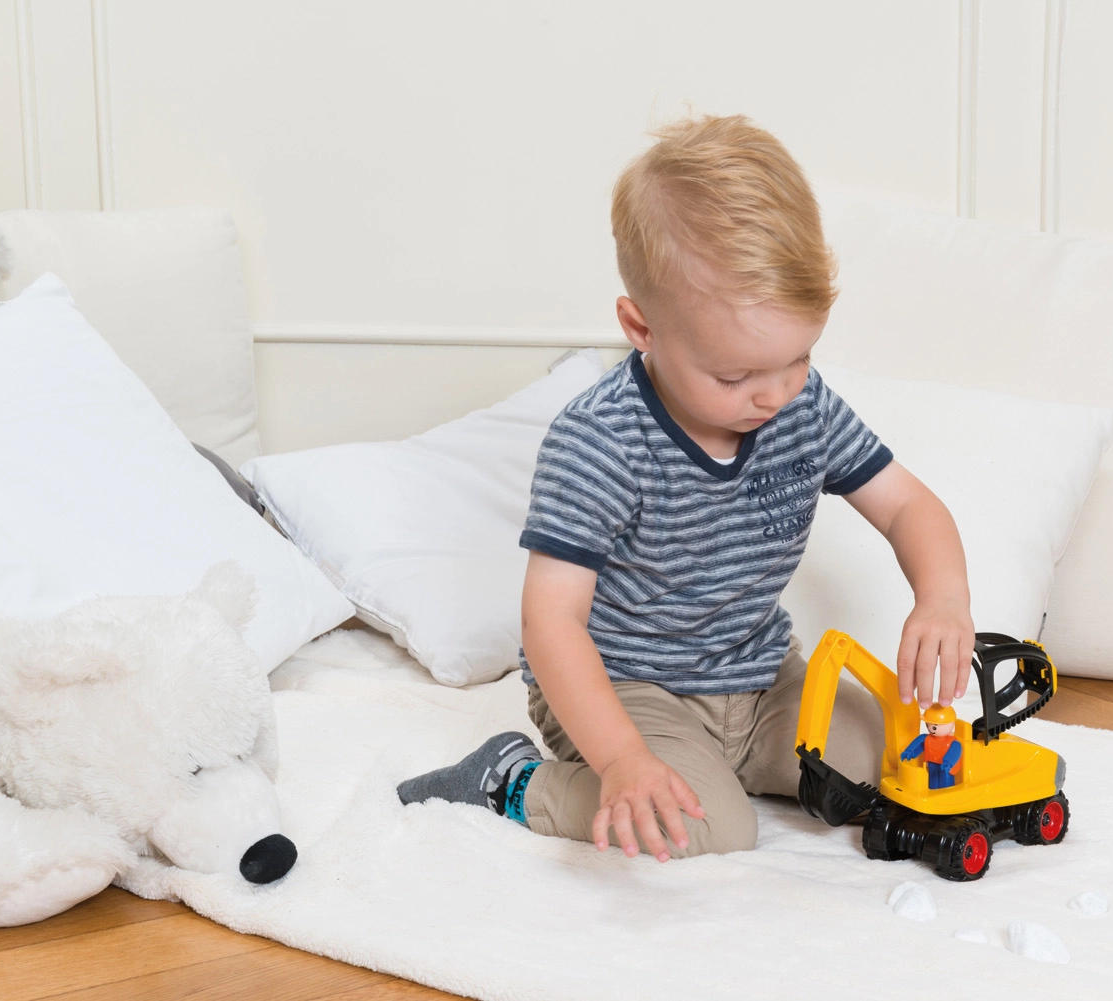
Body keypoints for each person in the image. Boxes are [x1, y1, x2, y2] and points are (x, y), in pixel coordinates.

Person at [398, 114, 973, 861]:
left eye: (798, 358)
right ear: (642, 328)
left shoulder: (803, 405)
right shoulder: (601, 439)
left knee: (898, 764)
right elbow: (551, 622)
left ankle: (738, 764)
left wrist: (943, 596)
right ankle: (512, 779)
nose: (775, 394)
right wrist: (621, 757)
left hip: (761, 679)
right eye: (735, 376)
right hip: (626, 690)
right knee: (708, 828)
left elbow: (908, 505)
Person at [900, 705, 963, 790]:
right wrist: (909, 752)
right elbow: (918, 744)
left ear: (949, 724)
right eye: (928, 725)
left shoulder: (953, 743)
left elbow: (955, 753)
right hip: (931, 764)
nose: (930, 728)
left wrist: (948, 762)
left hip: (945, 767)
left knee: (945, 784)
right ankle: (933, 793)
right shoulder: (926, 738)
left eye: (934, 727)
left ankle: (946, 795)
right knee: (933, 783)